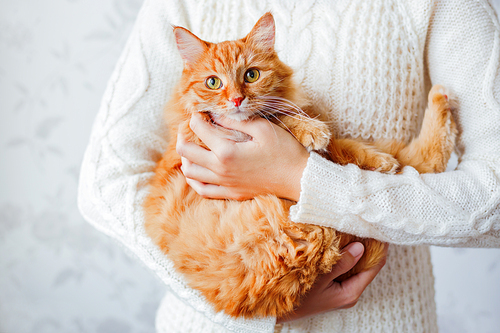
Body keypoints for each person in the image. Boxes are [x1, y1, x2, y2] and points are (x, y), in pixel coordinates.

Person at [78, 0, 500, 332]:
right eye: (216, 83)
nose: (235, 96)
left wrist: (298, 176)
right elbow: (104, 182)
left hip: (384, 317)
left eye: (249, 78)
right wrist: (250, 312)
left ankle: (421, 159)